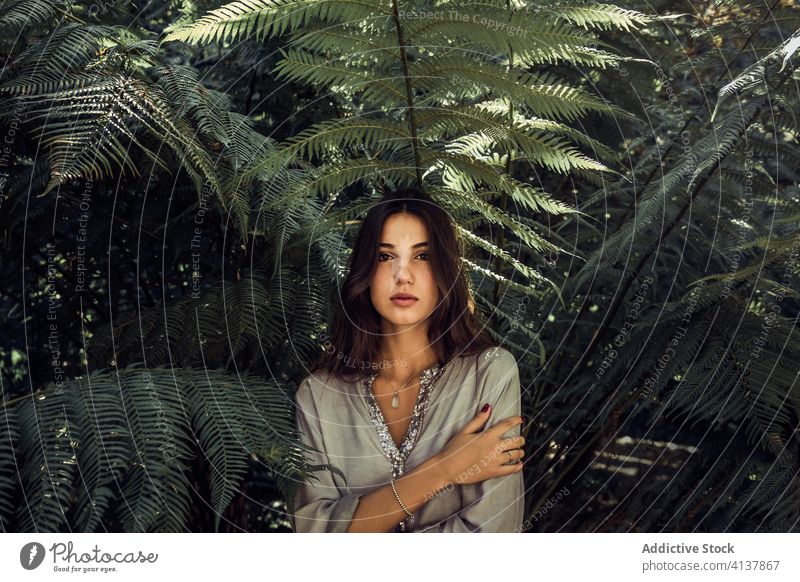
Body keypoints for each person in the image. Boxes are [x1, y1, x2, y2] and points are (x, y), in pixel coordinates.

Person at [289, 188, 525, 532]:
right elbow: (312, 535)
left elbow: (493, 535)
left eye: (422, 256)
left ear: (446, 269)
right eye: (385, 257)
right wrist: (445, 467)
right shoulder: (319, 396)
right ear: (365, 272)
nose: (403, 275)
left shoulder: (489, 374)